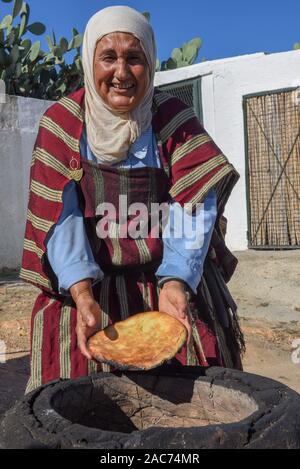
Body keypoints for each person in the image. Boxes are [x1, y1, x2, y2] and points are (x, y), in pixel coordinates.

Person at [20, 6, 244, 394]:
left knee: (200, 387)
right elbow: (61, 217)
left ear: (151, 63)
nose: (121, 73)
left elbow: (192, 205)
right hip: (91, 286)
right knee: (73, 394)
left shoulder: (172, 119)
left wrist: (176, 281)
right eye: (108, 57)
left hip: (167, 280)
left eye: (134, 58)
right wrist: (81, 291)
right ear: (90, 61)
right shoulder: (62, 125)